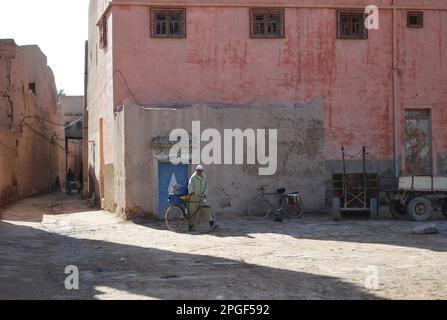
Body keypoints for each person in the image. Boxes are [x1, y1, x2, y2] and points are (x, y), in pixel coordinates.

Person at [188, 165, 217, 232]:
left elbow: (206, 186)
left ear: (202, 171)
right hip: (194, 197)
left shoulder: (204, 177)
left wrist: (205, 193)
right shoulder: (193, 177)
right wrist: (192, 192)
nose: (200, 172)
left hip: (201, 196)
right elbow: (190, 185)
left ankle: (211, 223)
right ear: (196, 170)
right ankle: (191, 225)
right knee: (193, 211)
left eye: (201, 171)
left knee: (206, 208)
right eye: (198, 171)